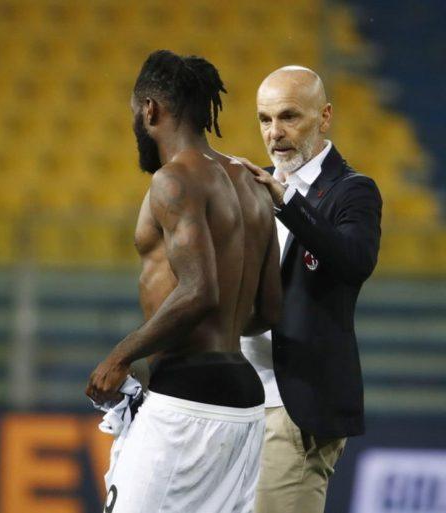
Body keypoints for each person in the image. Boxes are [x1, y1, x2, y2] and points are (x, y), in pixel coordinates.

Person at [86, 50, 281, 513]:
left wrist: (120, 356)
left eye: (136, 113)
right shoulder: (253, 184)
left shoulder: (173, 180)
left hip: (186, 400)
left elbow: (198, 291)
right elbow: (270, 311)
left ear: (150, 110)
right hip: (244, 402)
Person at [239, 66, 382, 513]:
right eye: (264, 119)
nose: (274, 133)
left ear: (324, 116)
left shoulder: (353, 191)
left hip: (295, 406)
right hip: (238, 401)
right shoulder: (252, 188)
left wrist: (285, 202)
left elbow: (354, 262)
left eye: (288, 116)